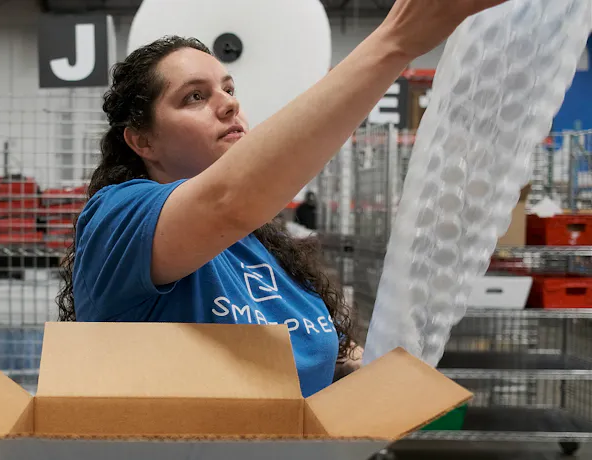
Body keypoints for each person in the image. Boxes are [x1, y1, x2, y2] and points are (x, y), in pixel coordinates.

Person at [57, 0, 507, 397]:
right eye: (194, 97)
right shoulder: (118, 219)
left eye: (229, 89)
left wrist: (357, 366)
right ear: (142, 141)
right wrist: (395, 41)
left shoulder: (258, 243)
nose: (229, 104)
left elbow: (311, 359)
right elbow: (227, 199)